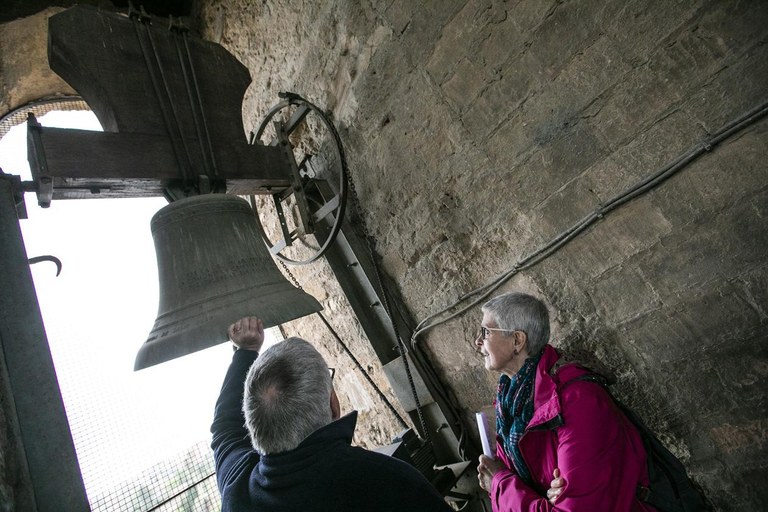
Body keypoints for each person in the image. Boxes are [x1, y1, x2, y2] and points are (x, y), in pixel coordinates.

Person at [211, 316, 453, 512]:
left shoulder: (237, 490)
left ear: (255, 423)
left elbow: (225, 429)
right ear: (333, 405)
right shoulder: (388, 481)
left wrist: (245, 351)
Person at [474, 292, 656, 511]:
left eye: (485, 331)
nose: (478, 341)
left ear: (517, 340)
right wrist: (541, 498)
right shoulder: (509, 401)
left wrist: (499, 484)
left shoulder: (577, 400)